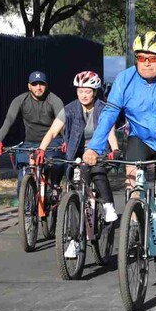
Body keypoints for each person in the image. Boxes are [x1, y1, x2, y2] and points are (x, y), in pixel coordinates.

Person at [82, 31, 156, 263]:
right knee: (133, 181)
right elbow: (109, 114)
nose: (146, 63)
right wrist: (94, 147)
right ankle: (134, 224)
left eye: (152, 59)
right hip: (140, 139)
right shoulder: (125, 80)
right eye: (141, 58)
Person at [37, 71, 119, 225]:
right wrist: (41, 149)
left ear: (95, 92)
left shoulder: (104, 109)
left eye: (88, 91)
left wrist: (115, 150)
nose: (84, 95)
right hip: (76, 152)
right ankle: (75, 230)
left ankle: (108, 206)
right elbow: (53, 131)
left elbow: (110, 133)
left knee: (97, 171)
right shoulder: (69, 109)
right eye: (80, 91)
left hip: (98, 151)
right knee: (75, 184)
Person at [0, 71, 64, 195]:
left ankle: (54, 188)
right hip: (30, 142)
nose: (38, 87)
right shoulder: (20, 100)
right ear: (29, 86)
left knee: (56, 164)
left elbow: (63, 123)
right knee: (23, 173)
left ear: (46, 85)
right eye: (35, 84)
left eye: (41, 84)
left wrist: (67, 140)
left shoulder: (54, 100)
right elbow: (9, 120)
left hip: (52, 142)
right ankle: (26, 205)